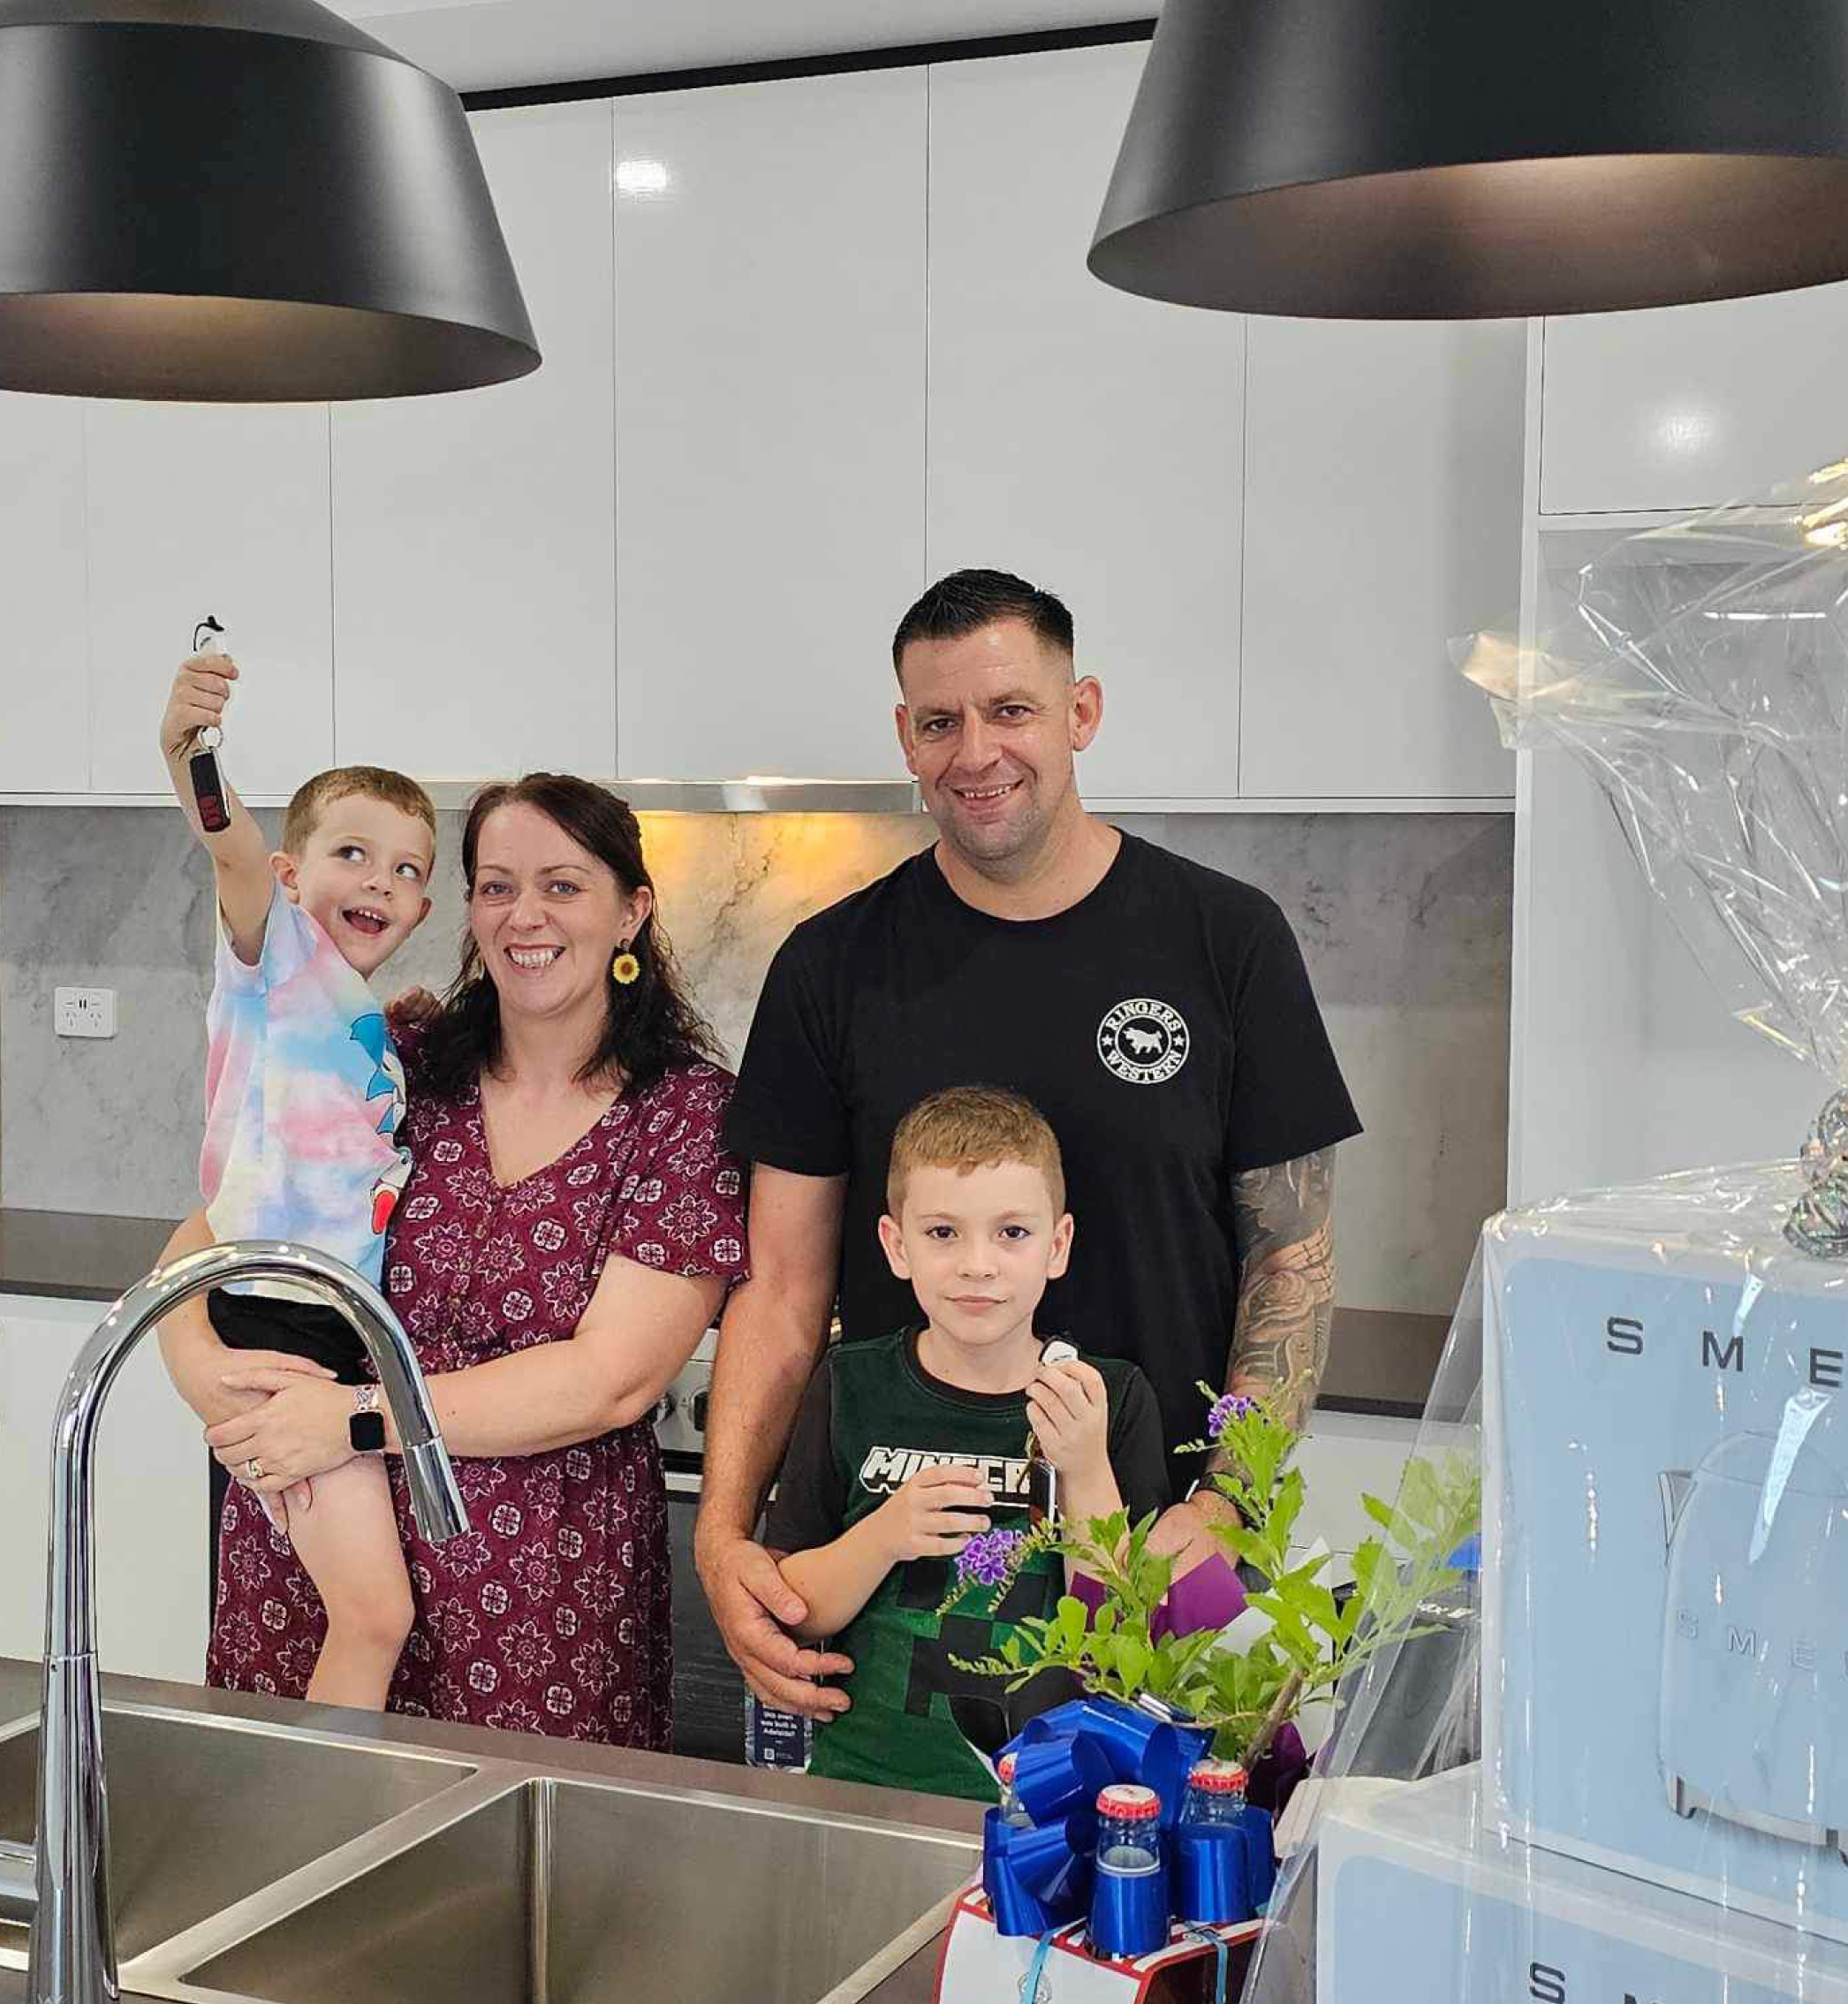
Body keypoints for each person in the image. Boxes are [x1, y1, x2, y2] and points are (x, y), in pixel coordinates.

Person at [700, 567, 1361, 1721]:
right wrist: (723, 1536)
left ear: (1081, 713)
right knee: (917, 1879)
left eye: (1011, 710)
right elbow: (786, 1286)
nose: (976, 753)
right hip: (908, 1578)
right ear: (906, 737)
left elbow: (1291, 1256)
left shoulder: (1224, 939)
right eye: (941, 721)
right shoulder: (831, 967)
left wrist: (1228, 1511)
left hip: (1160, 1555)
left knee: (1169, 1876)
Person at [158, 774, 748, 1745]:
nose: (526, 916)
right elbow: (227, 1216)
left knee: (519, 1884)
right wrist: (194, 1357)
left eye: (563, 886)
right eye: (497, 885)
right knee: (294, 1856)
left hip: (536, 1611)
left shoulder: (685, 1118)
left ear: (631, 911)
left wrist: (350, 1421)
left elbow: (609, 1381)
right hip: (316, 1561)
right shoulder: (402, 1057)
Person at [154, 649, 435, 1708]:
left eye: (410, 870)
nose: (382, 882)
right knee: (376, 1615)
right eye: (354, 854)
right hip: (274, 1322)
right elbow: (227, 843)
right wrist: (192, 752)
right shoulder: (271, 960)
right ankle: (331, 1836)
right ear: (290, 876)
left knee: (364, 1611)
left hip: (327, 1326)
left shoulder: (364, 1017)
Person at [766, 1086, 1167, 1799]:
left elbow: (1122, 1634)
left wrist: (1084, 1468)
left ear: (1058, 1245)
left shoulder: (1111, 1397)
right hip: (865, 1782)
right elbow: (796, 1608)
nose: (977, 1265)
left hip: (1048, 1803)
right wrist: (884, 1534)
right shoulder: (851, 1385)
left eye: (1011, 1233)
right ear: (896, 1246)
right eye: (943, 1233)